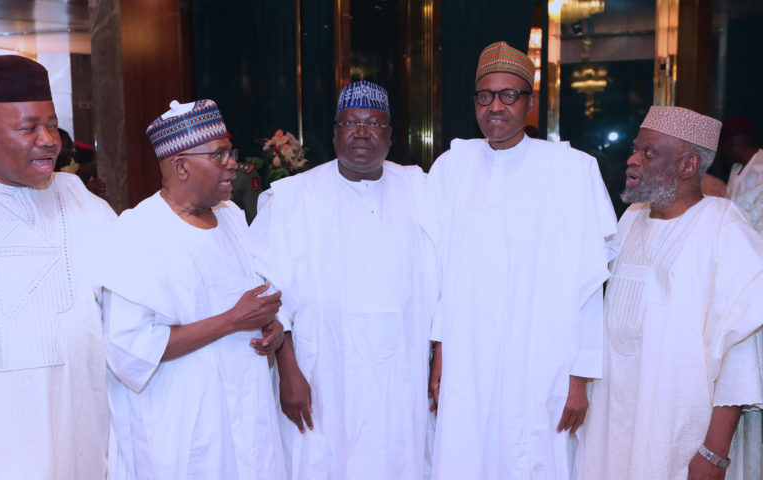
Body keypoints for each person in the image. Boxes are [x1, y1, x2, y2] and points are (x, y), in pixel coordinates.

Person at [428, 41, 617, 479]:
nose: (496, 106)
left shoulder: (572, 171)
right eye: (486, 96)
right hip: (468, 356)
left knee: (533, 457)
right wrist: (440, 355)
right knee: (464, 456)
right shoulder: (451, 169)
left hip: (543, 355)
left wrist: (580, 377)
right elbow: (439, 275)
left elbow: (590, 285)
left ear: (530, 102)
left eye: (509, 95)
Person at [249, 81, 440, 479]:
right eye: (351, 122)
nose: (362, 132)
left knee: (398, 458)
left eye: (374, 123)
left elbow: (446, 285)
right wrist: (287, 371)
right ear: (335, 131)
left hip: (400, 375)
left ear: (391, 135)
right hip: (322, 375)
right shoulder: (291, 199)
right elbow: (266, 292)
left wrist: (440, 358)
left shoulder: (421, 190)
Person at [96, 99, 286, 480]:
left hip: (247, 415)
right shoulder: (139, 231)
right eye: (219, 155)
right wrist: (232, 321)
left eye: (229, 151)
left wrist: (271, 329)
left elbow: (252, 301)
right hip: (183, 424)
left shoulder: (232, 217)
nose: (233, 162)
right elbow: (128, 349)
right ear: (181, 165)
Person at [581, 106, 763, 479]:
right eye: (635, 149)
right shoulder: (630, 218)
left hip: (681, 432)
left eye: (648, 153)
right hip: (613, 423)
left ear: (688, 165)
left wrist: (713, 453)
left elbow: (741, 352)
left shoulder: (724, 228)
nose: (632, 160)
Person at [0, 55, 116, 478]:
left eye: (51, 124)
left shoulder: (83, 201)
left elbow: (138, 298)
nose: (49, 140)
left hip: (84, 425)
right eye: (29, 128)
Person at [722, 117, 763, 201]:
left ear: (728, 143)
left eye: (720, 145)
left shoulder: (760, 167)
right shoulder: (736, 167)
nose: (720, 151)